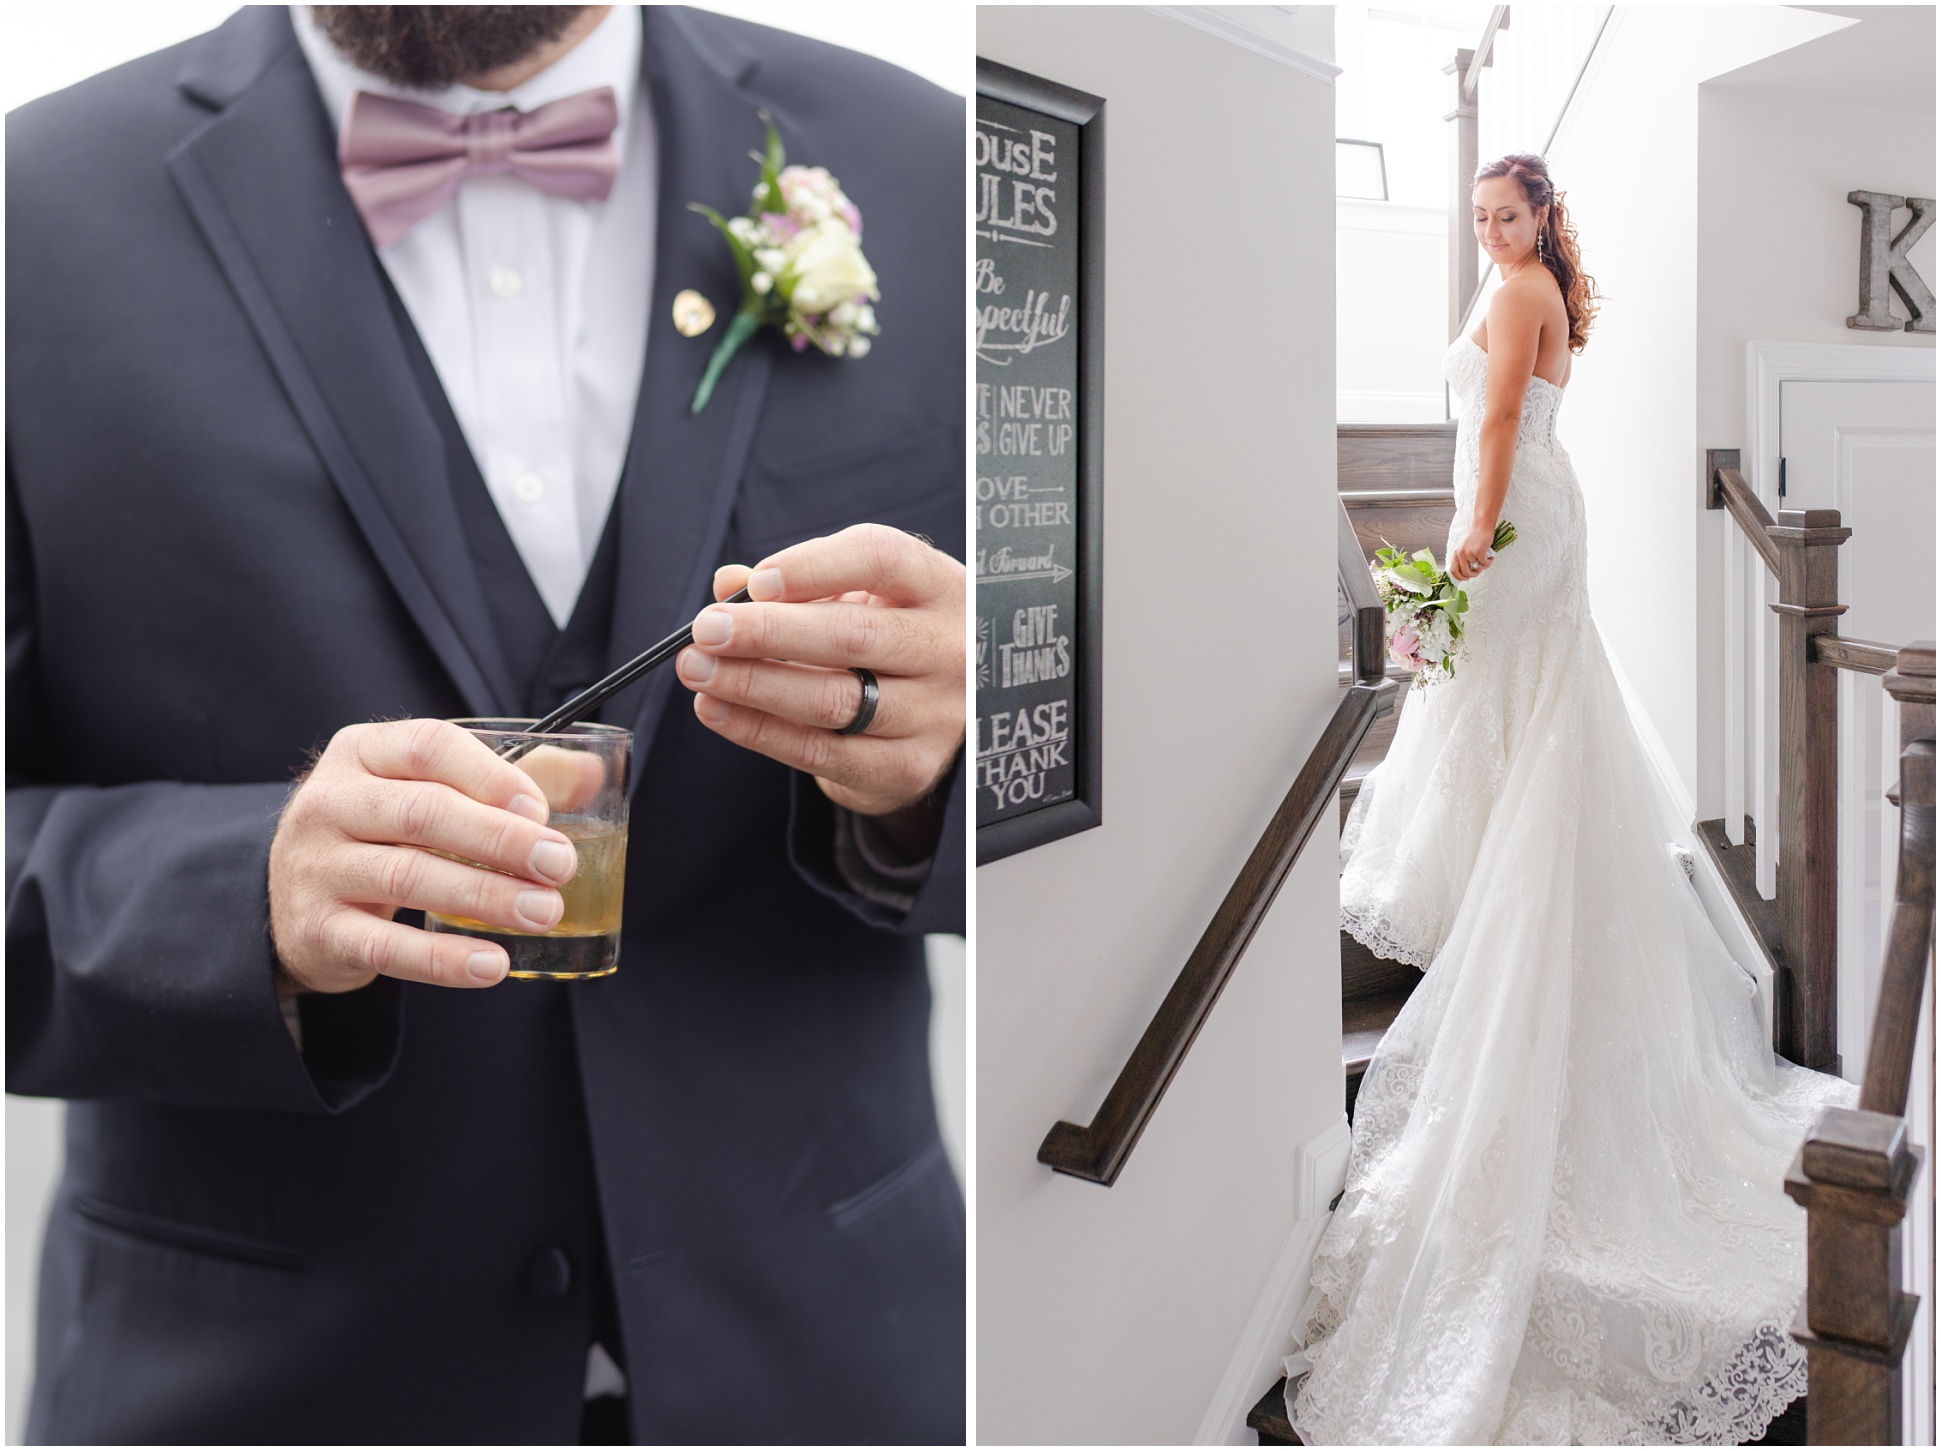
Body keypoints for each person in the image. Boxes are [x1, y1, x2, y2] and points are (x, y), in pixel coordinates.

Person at [6, 6, 965, 1443]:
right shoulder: (29, 214)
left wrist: (938, 771)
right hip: (260, 1393)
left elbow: (1100, 716)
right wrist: (239, 895)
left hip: (831, 1364)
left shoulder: (929, 162)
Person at [1287, 154, 1854, 1444]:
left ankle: (1519, 908)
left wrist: (1469, 536)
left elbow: (1493, 424)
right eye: (1478, 216)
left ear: (1543, 215)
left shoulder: (1523, 289)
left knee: (1525, 711)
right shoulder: (1525, 283)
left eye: (1507, 213)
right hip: (1534, 512)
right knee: (1520, 718)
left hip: (1518, 518)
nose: (1490, 231)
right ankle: (1505, 888)